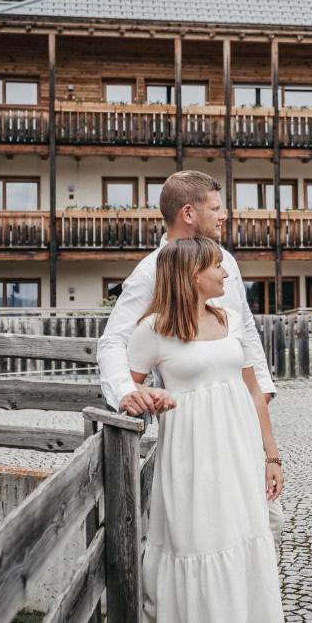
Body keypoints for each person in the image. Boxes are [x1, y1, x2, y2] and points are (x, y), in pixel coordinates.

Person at [97, 170, 285, 551]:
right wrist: (125, 391)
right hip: (195, 430)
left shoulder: (225, 259)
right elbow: (114, 340)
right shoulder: (151, 272)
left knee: (261, 525)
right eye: (215, 207)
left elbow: (245, 328)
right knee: (208, 533)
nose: (224, 215)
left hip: (241, 418)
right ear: (188, 212)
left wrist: (262, 392)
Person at [127, 236, 284, 622]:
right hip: (191, 454)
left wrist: (271, 455)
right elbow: (125, 387)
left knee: (244, 532)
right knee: (198, 539)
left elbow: (253, 391)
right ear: (192, 275)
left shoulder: (229, 321)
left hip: (239, 447)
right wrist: (149, 396)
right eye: (216, 265)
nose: (225, 271)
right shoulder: (152, 329)